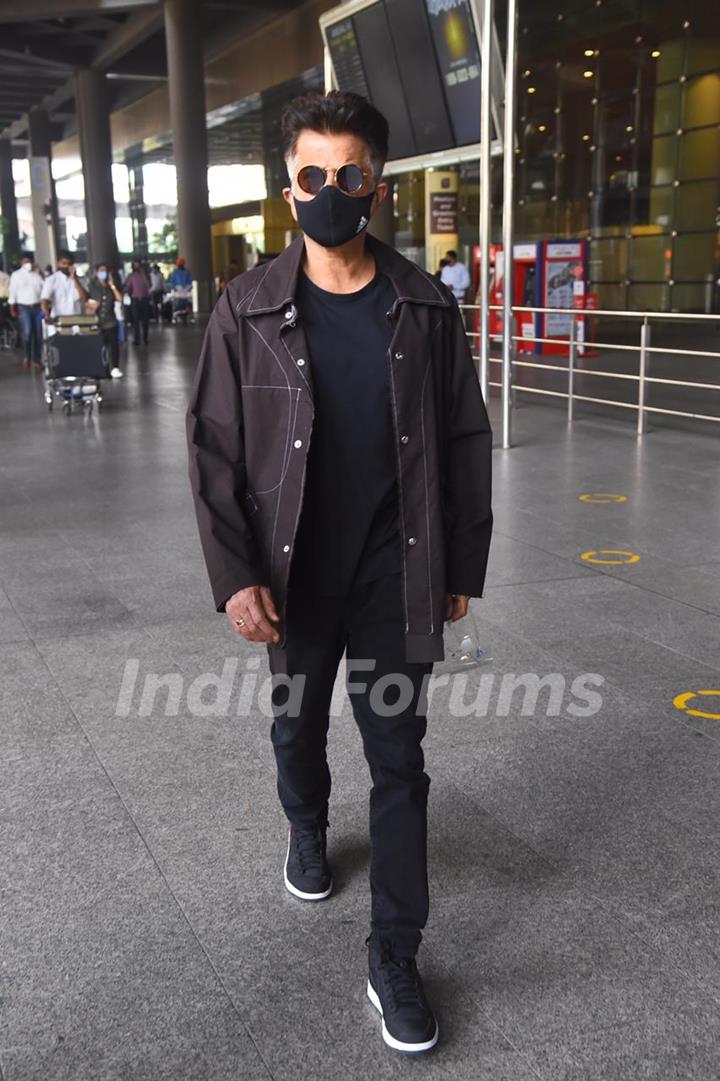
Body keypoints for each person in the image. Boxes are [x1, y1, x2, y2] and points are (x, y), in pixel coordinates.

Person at [187, 91, 492, 1056]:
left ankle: (394, 951)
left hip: (395, 573)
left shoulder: (426, 305)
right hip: (294, 575)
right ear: (290, 193)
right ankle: (307, 823)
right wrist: (236, 575)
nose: (330, 190)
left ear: (379, 186)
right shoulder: (247, 307)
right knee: (299, 721)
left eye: (348, 174)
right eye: (312, 176)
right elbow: (214, 452)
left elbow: (463, 439)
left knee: (401, 759)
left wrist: (461, 564)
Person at [86, 264, 124, 378]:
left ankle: (115, 368)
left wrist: (112, 285)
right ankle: (102, 369)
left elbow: (120, 298)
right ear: (96, 272)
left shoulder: (111, 286)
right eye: (101, 270)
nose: (104, 272)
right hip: (97, 321)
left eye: (105, 270)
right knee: (99, 346)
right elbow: (88, 303)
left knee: (113, 346)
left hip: (111, 320)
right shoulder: (92, 286)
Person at [9, 255, 44, 369]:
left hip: (37, 307)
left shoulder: (36, 275)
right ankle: (26, 356)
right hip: (24, 307)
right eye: (25, 261)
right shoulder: (16, 275)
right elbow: (13, 292)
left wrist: (40, 274)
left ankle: (37, 359)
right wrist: (12, 307)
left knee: (38, 334)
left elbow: (45, 287)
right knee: (27, 333)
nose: (27, 264)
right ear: (21, 262)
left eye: (29, 261)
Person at [40, 252, 87, 318]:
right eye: (64, 264)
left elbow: (84, 298)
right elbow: (44, 300)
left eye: (69, 264)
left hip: (76, 317)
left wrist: (75, 279)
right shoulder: (51, 280)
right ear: (58, 264)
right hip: (58, 319)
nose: (66, 266)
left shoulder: (80, 280)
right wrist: (47, 314)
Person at [124, 260, 151, 346]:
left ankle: (145, 338)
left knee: (145, 320)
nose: (137, 267)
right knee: (135, 320)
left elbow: (149, 285)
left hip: (144, 299)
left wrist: (143, 275)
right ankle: (137, 339)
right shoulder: (131, 276)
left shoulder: (145, 275)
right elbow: (127, 286)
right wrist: (129, 292)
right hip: (135, 299)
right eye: (135, 265)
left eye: (138, 265)